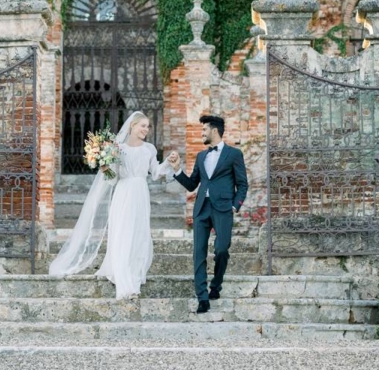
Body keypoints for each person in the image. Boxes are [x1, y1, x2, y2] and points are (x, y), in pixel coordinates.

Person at [48, 111, 175, 299]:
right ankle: (124, 279)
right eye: (143, 126)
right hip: (123, 193)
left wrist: (169, 163)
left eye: (148, 127)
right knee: (123, 233)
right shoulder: (118, 148)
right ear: (132, 126)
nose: (146, 130)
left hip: (140, 193)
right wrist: (105, 169)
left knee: (139, 234)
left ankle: (134, 273)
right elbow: (113, 179)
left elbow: (155, 173)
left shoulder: (149, 149)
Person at [167, 114, 248, 314]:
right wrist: (177, 170)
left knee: (222, 249)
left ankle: (216, 285)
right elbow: (193, 184)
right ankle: (202, 297)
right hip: (202, 208)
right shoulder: (201, 156)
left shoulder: (234, 154)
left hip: (223, 208)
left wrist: (235, 205)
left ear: (214, 130)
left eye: (204, 130)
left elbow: (243, 184)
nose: (201, 133)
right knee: (199, 253)